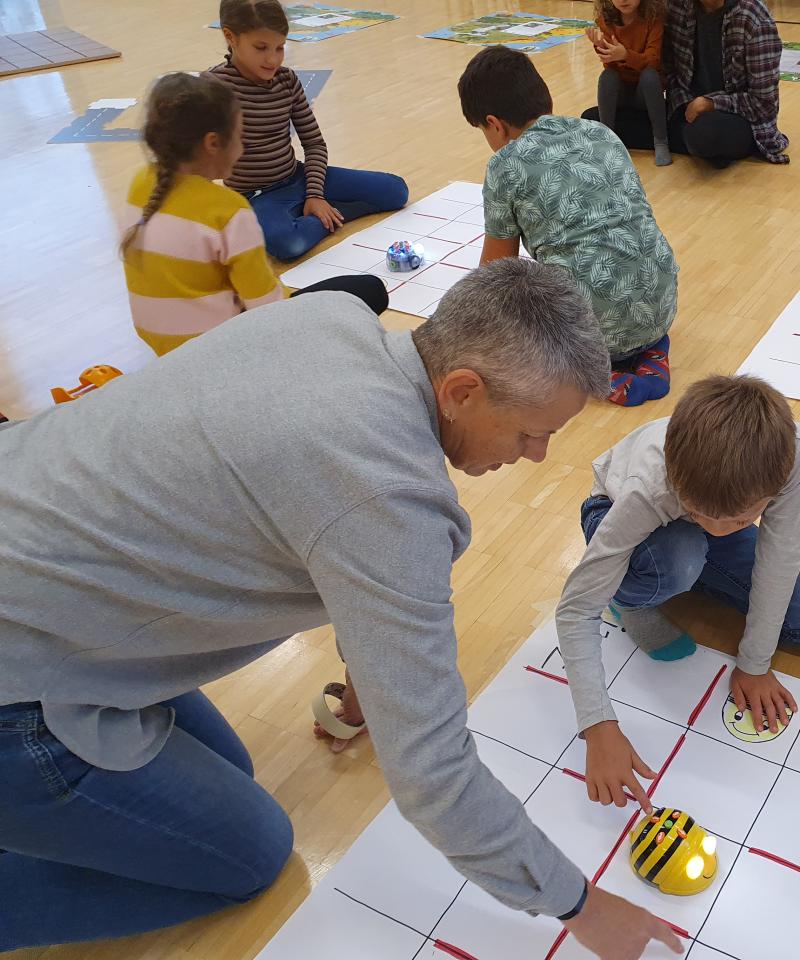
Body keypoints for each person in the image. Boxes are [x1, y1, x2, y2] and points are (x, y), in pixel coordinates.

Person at [0, 260, 683, 960]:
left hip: (30, 531)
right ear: (462, 391)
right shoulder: (390, 503)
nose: (537, 457)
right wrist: (582, 905)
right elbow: (433, 775)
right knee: (252, 856)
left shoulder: (333, 318)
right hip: (22, 672)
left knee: (229, 774)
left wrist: (369, 686)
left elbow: (324, 527)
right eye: (530, 433)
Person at [557, 375, 800, 811]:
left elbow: (779, 553)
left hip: (695, 516)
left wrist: (754, 663)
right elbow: (576, 609)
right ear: (678, 484)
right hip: (616, 512)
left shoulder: (792, 453)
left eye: (740, 517)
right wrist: (597, 725)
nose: (719, 527)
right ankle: (631, 600)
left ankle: (686, 565)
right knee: (681, 559)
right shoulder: (650, 484)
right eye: (702, 513)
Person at [459, 46, 679, 408]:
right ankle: (650, 351)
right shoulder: (601, 133)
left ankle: (597, 372)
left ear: (494, 124)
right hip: (662, 300)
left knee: (515, 313)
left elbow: (494, 273)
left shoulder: (505, 165)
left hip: (591, 332)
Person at [121, 72, 387, 356]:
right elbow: (268, 312)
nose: (242, 147)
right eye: (238, 137)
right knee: (369, 289)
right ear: (213, 144)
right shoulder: (227, 209)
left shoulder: (140, 183)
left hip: (166, 348)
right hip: (227, 350)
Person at [207, 0, 408, 261]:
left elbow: (314, 143)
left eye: (280, 47)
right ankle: (332, 215)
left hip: (298, 177)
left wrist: (314, 193)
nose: (273, 59)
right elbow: (200, 158)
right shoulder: (212, 89)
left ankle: (320, 213)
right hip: (255, 196)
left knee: (396, 191)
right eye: (261, 48)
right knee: (287, 245)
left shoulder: (287, 79)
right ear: (230, 36)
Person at [583, 0, 787, 168]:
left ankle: (689, 141)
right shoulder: (677, 7)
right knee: (592, 119)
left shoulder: (754, 19)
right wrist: (608, 48)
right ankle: (680, 140)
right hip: (684, 108)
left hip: (737, 116)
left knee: (706, 134)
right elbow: (666, 68)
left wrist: (710, 103)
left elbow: (763, 103)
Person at [587, 0, 669, 166]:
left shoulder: (654, 18)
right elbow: (611, 68)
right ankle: (607, 142)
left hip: (645, 93)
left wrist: (625, 55)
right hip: (622, 92)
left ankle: (661, 141)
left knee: (650, 77)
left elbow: (653, 61)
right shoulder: (607, 19)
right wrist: (602, 48)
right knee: (607, 77)